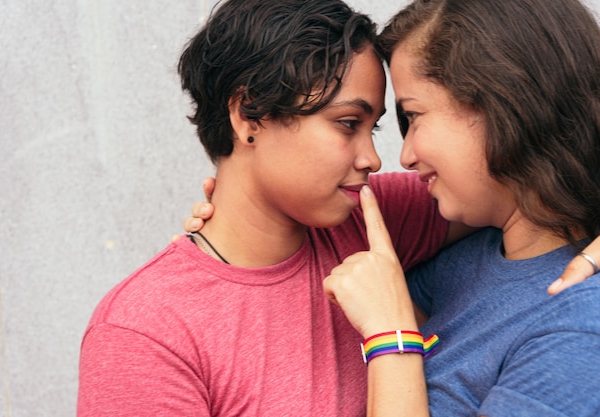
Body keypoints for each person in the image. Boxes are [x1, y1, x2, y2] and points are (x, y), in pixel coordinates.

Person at [77, 0, 462, 415]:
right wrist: (393, 337)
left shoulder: (368, 221)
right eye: (348, 123)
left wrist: (546, 250)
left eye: (374, 128)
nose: (372, 158)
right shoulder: (144, 333)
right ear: (248, 116)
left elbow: (510, 188)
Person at [321, 0, 600, 415]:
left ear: (504, 106)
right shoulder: (460, 264)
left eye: (413, 116)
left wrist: (390, 337)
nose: (406, 155)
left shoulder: (581, 325)